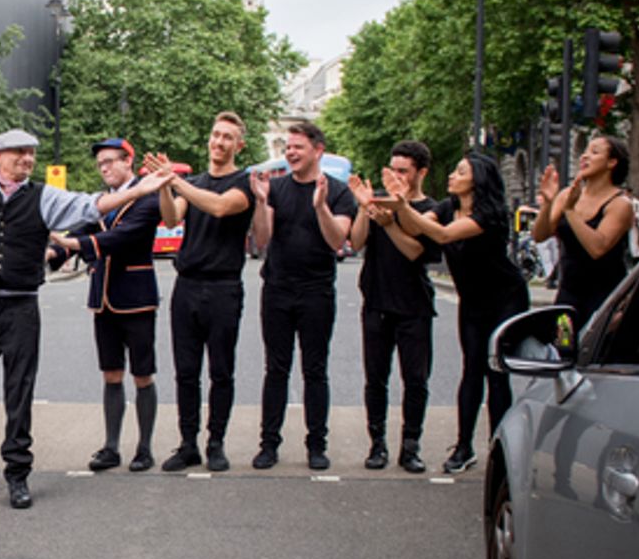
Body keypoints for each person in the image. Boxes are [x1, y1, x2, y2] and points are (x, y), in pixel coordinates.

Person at [0, 129, 171, 509]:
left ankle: (17, 472)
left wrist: (138, 191)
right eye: (19, 153)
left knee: (18, 391)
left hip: (22, 305)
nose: (27, 159)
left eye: (31, 154)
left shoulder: (44, 197)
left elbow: (89, 207)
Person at [385, 151, 529, 474]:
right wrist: (399, 205)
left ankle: (498, 448)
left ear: (476, 179)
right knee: (471, 370)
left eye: (459, 171)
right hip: (473, 300)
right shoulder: (448, 207)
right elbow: (417, 228)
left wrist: (402, 206)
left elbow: (445, 235)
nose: (451, 175)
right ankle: (464, 446)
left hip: (505, 297)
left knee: (497, 373)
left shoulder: (490, 214)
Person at [147, 112, 255, 473]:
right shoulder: (192, 184)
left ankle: (216, 442)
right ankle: (188, 443)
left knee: (221, 371)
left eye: (227, 137)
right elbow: (172, 218)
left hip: (224, 287)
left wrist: (176, 182)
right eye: (215, 134)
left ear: (239, 145)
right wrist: (164, 185)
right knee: (186, 371)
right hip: (187, 286)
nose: (218, 142)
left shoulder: (243, 184)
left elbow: (221, 207)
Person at [249, 121, 357, 471]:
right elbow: (262, 239)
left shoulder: (338, 192)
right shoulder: (277, 188)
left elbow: (337, 240)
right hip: (278, 289)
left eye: (298, 147)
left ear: (318, 150)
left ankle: (317, 445)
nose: (291, 153)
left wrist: (321, 205)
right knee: (275, 369)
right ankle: (269, 444)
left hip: (316, 291)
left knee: (315, 370)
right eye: (288, 148)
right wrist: (262, 203)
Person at [50, 138, 162, 473]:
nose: (105, 168)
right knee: (111, 373)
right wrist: (55, 252)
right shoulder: (105, 202)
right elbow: (85, 225)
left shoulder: (147, 195)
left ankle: (144, 448)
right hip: (104, 300)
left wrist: (74, 243)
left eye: (110, 161)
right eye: (100, 164)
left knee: (142, 374)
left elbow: (121, 237)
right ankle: (111, 447)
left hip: (136, 298)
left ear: (129, 161)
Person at [346, 141, 441, 474]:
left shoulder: (429, 208)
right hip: (376, 300)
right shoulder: (378, 203)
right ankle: (377, 445)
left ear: (421, 173)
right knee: (376, 379)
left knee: (416, 380)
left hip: (413, 304)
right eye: (393, 169)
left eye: (404, 171)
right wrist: (362, 208)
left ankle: (410, 446)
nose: (396, 176)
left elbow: (415, 251)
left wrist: (390, 222)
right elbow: (355, 242)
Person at [531, 135, 634, 323]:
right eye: (585, 151)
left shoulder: (620, 203)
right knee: (564, 349)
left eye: (594, 152)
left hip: (604, 298)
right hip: (568, 293)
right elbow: (540, 235)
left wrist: (570, 211)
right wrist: (547, 203)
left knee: (596, 351)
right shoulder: (566, 195)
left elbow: (598, 248)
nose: (584, 157)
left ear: (612, 162)